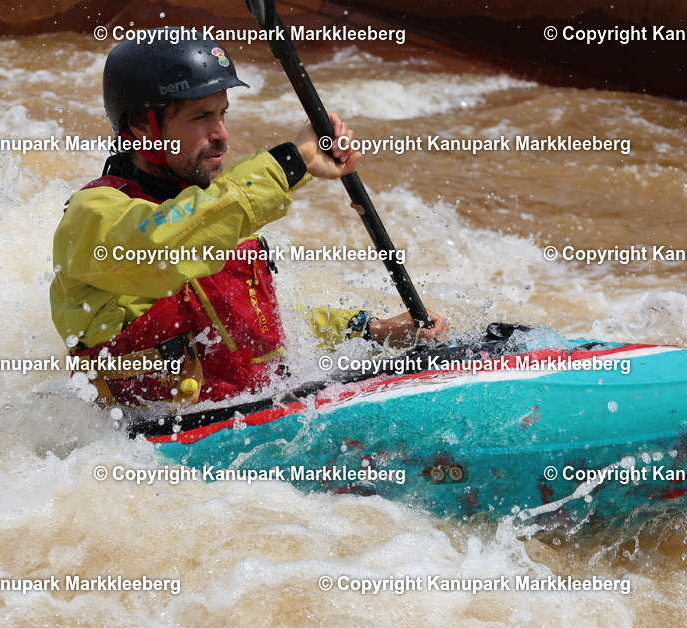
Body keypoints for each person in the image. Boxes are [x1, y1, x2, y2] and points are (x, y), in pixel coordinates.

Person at [50, 30, 446, 405]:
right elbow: (161, 247)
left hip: (252, 422)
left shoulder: (211, 210)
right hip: (148, 451)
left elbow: (253, 321)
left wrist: (370, 331)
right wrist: (292, 162)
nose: (221, 134)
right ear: (141, 125)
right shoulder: (93, 217)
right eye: (200, 116)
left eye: (222, 113)